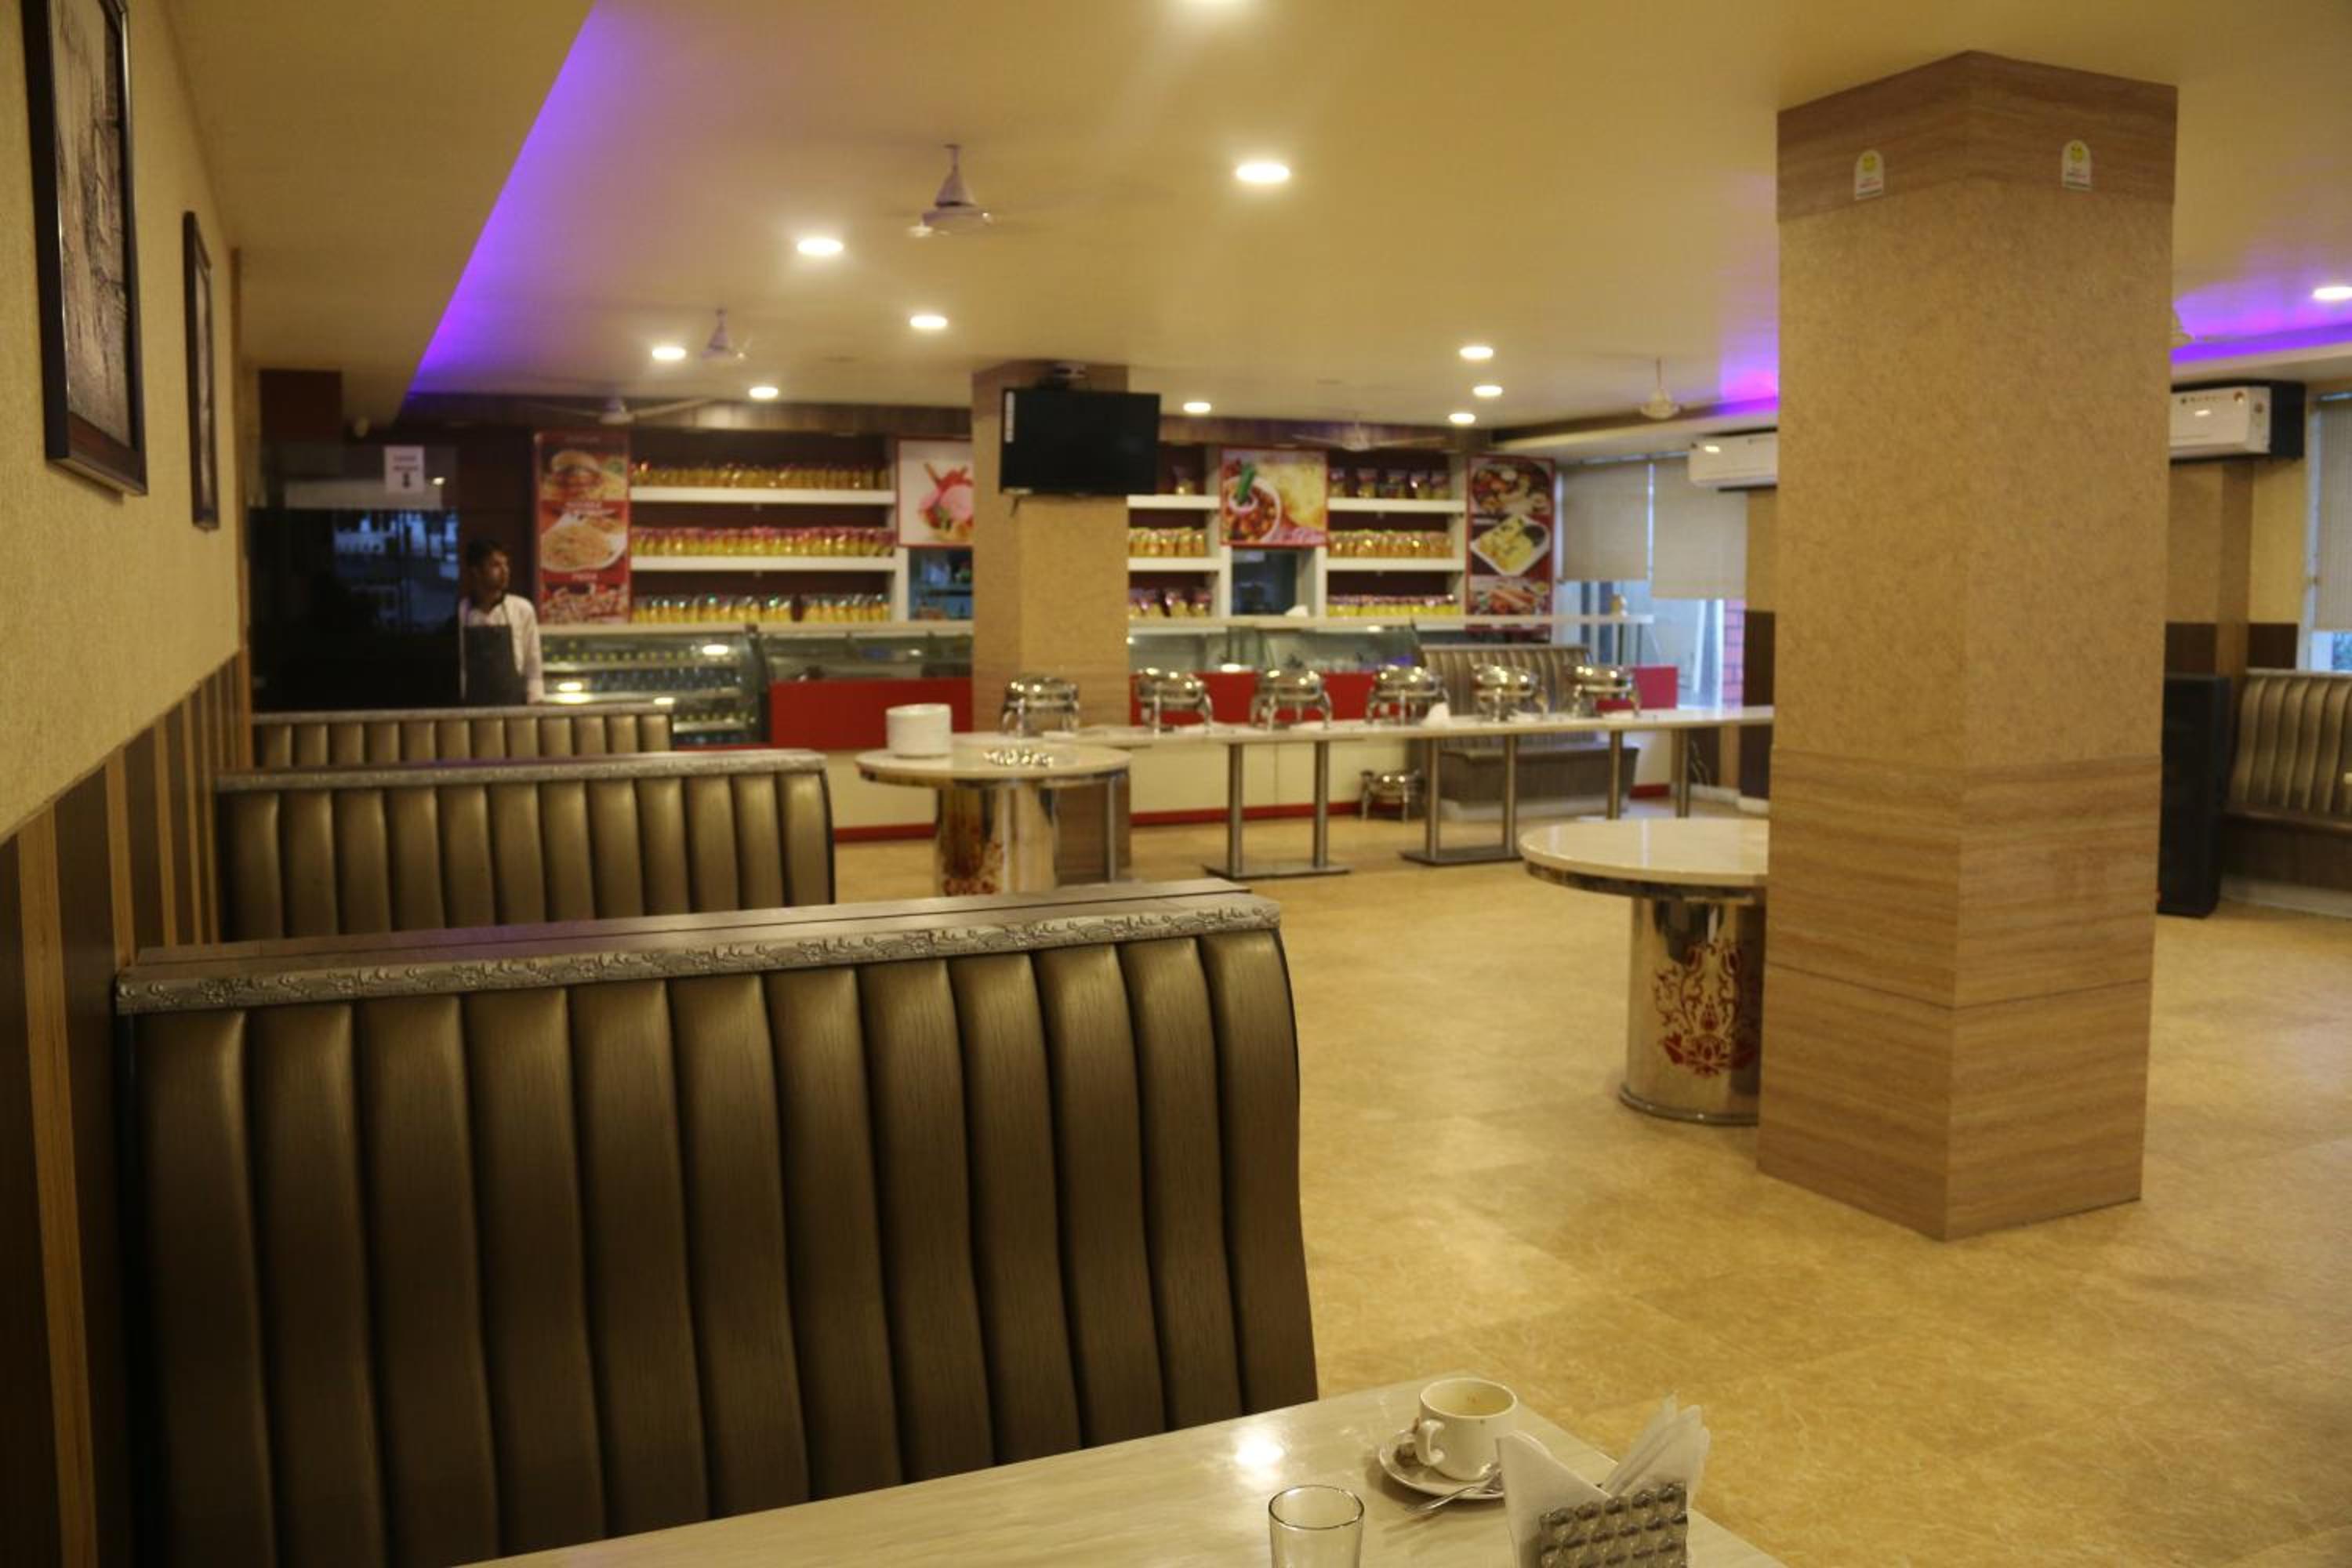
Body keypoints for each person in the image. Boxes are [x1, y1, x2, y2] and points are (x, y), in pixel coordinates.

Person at [457, 539, 543, 704]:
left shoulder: (522, 609)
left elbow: (533, 662)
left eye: (506, 564)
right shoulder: (463, 610)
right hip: (473, 707)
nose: (505, 571)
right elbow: (461, 665)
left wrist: (535, 700)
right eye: (496, 565)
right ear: (476, 572)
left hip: (514, 705)